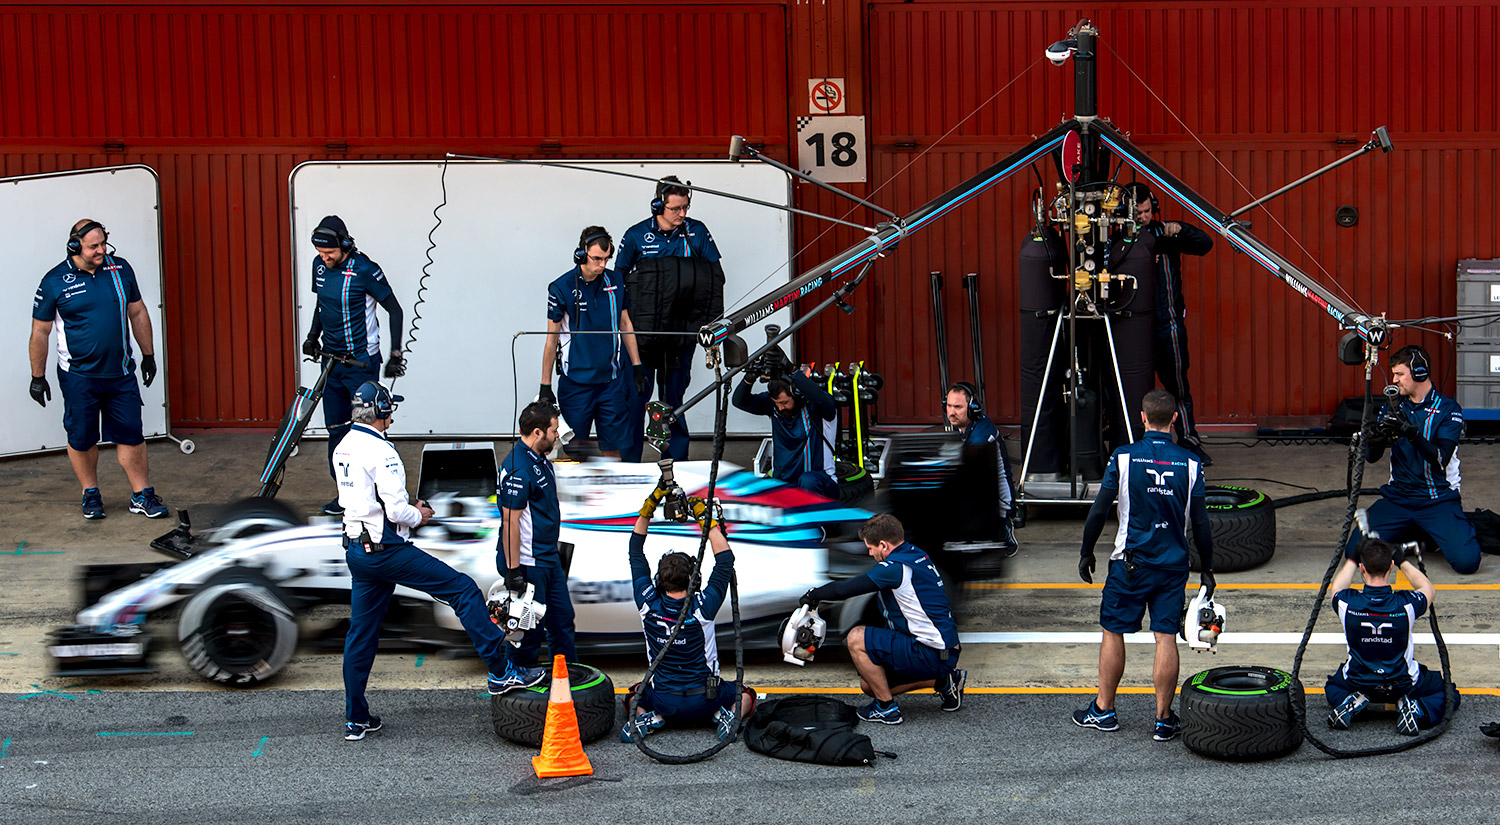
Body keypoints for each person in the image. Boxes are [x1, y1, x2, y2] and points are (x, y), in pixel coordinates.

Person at [334, 381, 540, 742]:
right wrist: (421, 514)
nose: (393, 414)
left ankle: (356, 717)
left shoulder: (343, 445)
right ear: (381, 411)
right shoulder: (382, 452)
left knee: (360, 635)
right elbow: (397, 509)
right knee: (462, 589)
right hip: (387, 551)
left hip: (356, 551)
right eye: (390, 408)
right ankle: (500, 669)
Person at [1075, 388, 1215, 741]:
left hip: (1130, 564)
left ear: (1142, 418)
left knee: (1113, 630)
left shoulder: (1123, 458)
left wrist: (1086, 551)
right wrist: (1208, 568)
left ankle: (1104, 710)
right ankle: (1163, 719)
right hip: (1173, 566)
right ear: (1174, 420)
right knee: (1166, 636)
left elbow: (1098, 510)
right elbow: (1201, 524)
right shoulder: (1191, 463)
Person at [29, 218, 167, 520]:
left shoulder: (120, 269)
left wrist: (148, 355)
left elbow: (138, 311)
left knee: (132, 434)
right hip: (79, 377)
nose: (102, 251)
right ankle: (90, 492)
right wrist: (37, 377)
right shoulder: (54, 281)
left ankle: (142, 494)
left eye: (104, 243)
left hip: (120, 373)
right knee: (82, 437)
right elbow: (40, 332)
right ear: (74, 246)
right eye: (94, 246)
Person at [797, 513, 964, 725]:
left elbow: (846, 589)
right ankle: (945, 679)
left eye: (870, 548)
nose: (869, 554)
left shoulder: (895, 569)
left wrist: (814, 594)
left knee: (856, 637)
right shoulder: (916, 554)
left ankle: (886, 708)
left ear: (883, 545)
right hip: (946, 650)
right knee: (869, 685)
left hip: (928, 651)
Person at [620, 482, 755, 743]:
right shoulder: (704, 606)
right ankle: (728, 716)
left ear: (659, 580)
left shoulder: (647, 602)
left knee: (633, 694)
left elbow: (635, 551)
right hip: (707, 698)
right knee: (746, 693)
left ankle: (648, 718)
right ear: (694, 580)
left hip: (664, 701)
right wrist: (707, 520)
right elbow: (725, 559)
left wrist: (647, 510)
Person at [1343, 345, 1481, 575]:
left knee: (1467, 562)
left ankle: (1430, 534)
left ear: (1419, 372)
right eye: (1394, 374)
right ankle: (1419, 537)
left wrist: (1411, 433)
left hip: (1436, 499)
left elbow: (1440, 458)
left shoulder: (1448, 409)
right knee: (1354, 553)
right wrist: (1375, 439)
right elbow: (1371, 458)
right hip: (1399, 497)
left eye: (1399, 374)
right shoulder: (1393, 405)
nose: (1394, 380)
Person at [616, 176, 725, 462]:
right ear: (658, 205)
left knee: (673, 400)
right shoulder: (637, 235)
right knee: (636, 399)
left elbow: (715, 278)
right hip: (644, 336)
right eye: (676, 208)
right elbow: (618, 284)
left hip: (680, 334)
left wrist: (710, 325)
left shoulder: (697, 232)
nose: (682, 214)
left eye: (686, 207)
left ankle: (677, 465)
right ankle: (629, 465)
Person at [303, 215, 406, 516]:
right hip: (330, 364)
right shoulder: (319, 266)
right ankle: (345, 496)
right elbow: (322, 304)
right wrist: (312, 336)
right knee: (336, 431)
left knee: (368, 432)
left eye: (330, 253)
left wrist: (395, 353)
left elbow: (395, 310)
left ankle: (380, 497)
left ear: (345, 244)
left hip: (361, 364)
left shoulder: (365, 270)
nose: (324, 258)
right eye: (320, 253)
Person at [1326, 537, 1457, 734]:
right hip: (1402, 683)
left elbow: (1336, 588)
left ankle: (1356, 702)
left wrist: (1352, 558)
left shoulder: (1346, 603)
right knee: (1449, 692)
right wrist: (1403, 561)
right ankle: (1416, 710)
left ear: (1362, 569)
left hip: (1359, 681)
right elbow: (1428, 589)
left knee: (1332, 686)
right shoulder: (1406, 603)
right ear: (1391, 567)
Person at [539, 226, 648, 458]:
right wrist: (545, 385)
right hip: (576, 382)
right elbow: (551, 340)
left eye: (606, 259)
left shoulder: (615, 280)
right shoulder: (561, 287)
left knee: (613, 447)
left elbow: (626, 324)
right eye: (597, 259)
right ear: (581, 254)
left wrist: (637, 365)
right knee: (572, 451)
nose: (602, 265)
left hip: (611, 381)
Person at [1127, 183, 1216, 466]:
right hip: (1131, 328)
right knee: (1127, 388)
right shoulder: (1118, 240)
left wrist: (1181, 229)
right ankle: (1131, 444)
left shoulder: (1165, 232)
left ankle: (1189, 441)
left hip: (1169, 326)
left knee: (1178, 387)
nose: (1144, 217)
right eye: (1138, 213)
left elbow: (1205, 244)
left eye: (1147, 211)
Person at [497, 401, 577, 673]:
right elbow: (510, 521)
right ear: (537, 433)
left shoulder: (540, 459)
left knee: (563, 621)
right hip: (529, 563)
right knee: (526, 631)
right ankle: (516, 685)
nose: (557, 435)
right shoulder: (519, 469)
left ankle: (567, 681)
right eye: (553, 431)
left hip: (548, 557)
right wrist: (513, 570)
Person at [732, 361, 839, 499]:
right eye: (777, 404)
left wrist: (792, 371)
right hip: (785, 484)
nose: (780, 408)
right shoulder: (774, 407)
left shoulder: (818, 408)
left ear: (796, 394)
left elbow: (821, 400)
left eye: (784, 402)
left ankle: (813, 520)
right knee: (754, 489)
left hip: (819, 484)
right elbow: (739, 401)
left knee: (807, 481)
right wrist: (749, 378)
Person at [945, 381, 1019, 556]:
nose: (951, 412)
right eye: (948, 406)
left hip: (995, 501)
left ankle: (1004, 529)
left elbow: (968, 479)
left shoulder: (981, 435)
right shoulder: (963, 426)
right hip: (979, 490)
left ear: (973, 408)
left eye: (957, 407)